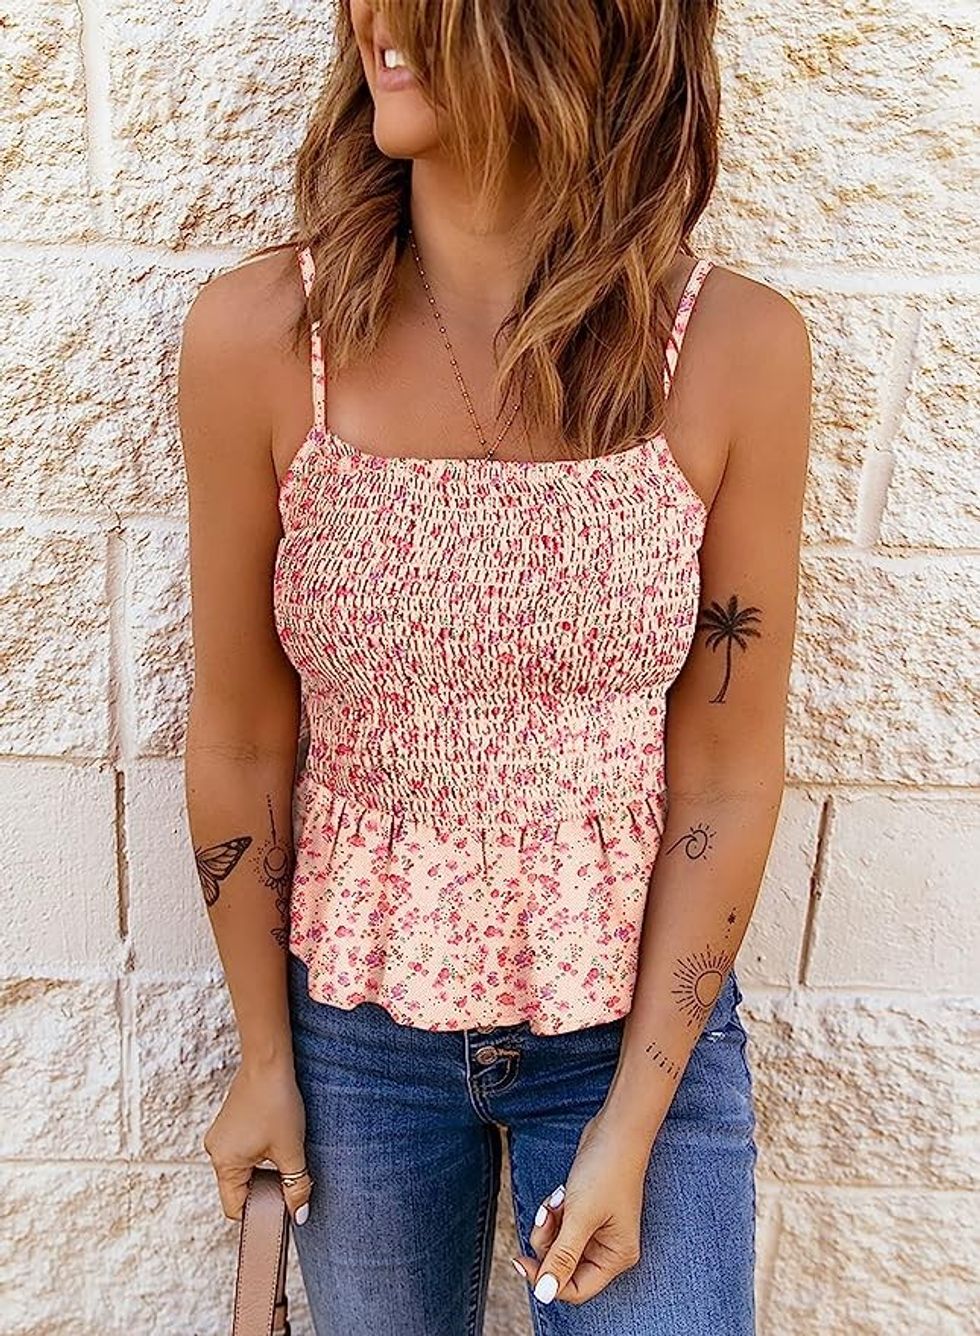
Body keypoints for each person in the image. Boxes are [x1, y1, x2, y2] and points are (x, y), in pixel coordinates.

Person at [177, 2, 811, 1331]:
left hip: (638, 1026)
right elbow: (240, 736)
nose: (374, 18)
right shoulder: (262, 341)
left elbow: (726, 770)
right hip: (355, 1033)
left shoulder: (733, 350)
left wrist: (634, 1120)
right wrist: (264, 1058)